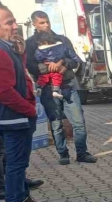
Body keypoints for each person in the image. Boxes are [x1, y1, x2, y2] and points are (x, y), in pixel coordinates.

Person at [0, 5, 49, 202]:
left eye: (14, 21)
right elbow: (4, 91)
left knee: (13, 163)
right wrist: (29, 109)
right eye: (9, 22)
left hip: (1, 116)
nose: (15, 26)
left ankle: (22, 199)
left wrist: (20, 53)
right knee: (16, 165)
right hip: (12, 117)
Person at [25, 11, 97, 166]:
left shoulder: (62, 40)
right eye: (42, 23)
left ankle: (82, 153)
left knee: (79, 123)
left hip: (68, 87)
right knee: (56, 124)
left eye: (47, 22)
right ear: (34, 24)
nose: (46, 25)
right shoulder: (30, 43)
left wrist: (63, 62)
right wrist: (48, 68)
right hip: (48, 89)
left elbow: (75, 60)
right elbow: (30, 66)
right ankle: (63, 154)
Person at [33, 31, 69, 99]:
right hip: (56, 69)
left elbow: (37, 57)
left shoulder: (40, 49)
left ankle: (39, 88)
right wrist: (60, 62)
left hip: (45, 67)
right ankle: (55, 91)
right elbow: (62, 56)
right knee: (57, 77)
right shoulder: (58, 47)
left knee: (43, 78)